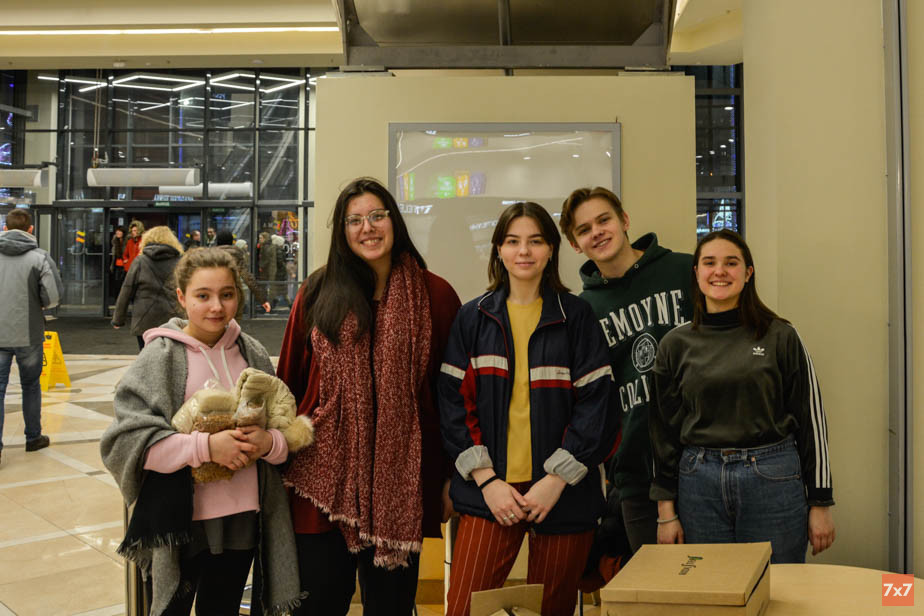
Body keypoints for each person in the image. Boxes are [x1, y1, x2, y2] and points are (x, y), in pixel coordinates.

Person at [276, 177, 461, 615]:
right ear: (342, 231)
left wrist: (453, 475)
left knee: (391, 608)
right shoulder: (317, 292)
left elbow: (453, 396)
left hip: (401, 488)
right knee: (317, 606)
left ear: (394, 221)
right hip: (321, 485)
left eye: (377, 216)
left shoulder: (434, 295)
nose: (368, 228)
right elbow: (288, 386)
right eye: (354, 220)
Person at [100, 247, 304, 616]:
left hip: (243, 517)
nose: (216, 307)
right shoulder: (160, 357)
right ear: (181, 297)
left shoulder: (252, 353)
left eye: (227, 294)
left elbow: (283, 431)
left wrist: (268, 443)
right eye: (203, 296)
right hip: (182, 521)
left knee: (222, 608)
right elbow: (129, 442)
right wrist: (206, 447)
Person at [439, 202, 619, 616]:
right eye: (513, 241)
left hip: (562, 494)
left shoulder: (577, 316)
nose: (524, 251)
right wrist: (487, 481)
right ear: (498, 250)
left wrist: (555, 480)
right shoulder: (472, 318)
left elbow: (598, 408)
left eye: (535, 241)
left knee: (550, 610)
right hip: (490, 492)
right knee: (464, 609)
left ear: (551, 249)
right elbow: (453, 405)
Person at [649, 229, 835, 563]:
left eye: (731, 263)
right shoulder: (674, 344)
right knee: (711, 586)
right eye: (709, 263)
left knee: (778, 584)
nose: (719, 271)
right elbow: (663, 433)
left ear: (748, 273)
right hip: (699, 484)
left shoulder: (781, 335)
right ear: (697, 273)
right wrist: (666, 512)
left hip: (772, 479)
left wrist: (820, 502)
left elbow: (811, 421)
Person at [559, 186, 693, 554]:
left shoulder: (684, 270)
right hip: (637, 477)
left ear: (624, 220)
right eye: (584, 229)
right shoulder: (583, 310)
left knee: (716, 581)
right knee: (657, 586)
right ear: (575, 244)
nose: (597, 232)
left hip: (702, 463)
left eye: (604, 220)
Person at [0, 208, 62, 462]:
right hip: (29, 334)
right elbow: (53, 296)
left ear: (4, 228)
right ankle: (33, 437)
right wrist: (40, 304)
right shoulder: (39, 257)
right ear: (31, 229)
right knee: (30, 385)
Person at [112, 226, 184, 350]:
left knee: (146, 356)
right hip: (174, 318)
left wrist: (118, 319)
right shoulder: (181, 261)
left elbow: (127, 290)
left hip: (145, 319)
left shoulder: (140, 261)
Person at [215, 230, 271, 313]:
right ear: (231, 241)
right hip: (232, 293)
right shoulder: (236, 254)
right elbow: (247, 277)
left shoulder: (211, 255)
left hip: (215, 294)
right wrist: (262, 299)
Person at [110, 226, 125, 302]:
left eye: (120, 231)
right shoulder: (115, 241)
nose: (118, 233)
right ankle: (117, 299)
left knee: (124, 282)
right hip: (117, 265)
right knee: (117, 282)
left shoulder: (126, 241)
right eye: (117, 232)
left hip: (125, 265)